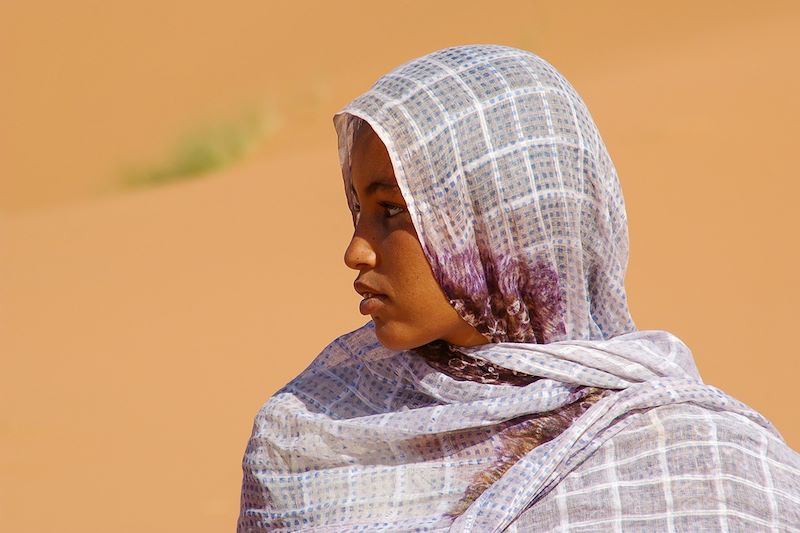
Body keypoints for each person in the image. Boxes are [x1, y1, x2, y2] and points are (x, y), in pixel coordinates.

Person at [237, 44, 800, 532]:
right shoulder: (311, 435)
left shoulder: (703, 460)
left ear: (499, 221)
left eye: (391, 210)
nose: (356, 249)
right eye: (357, 207)